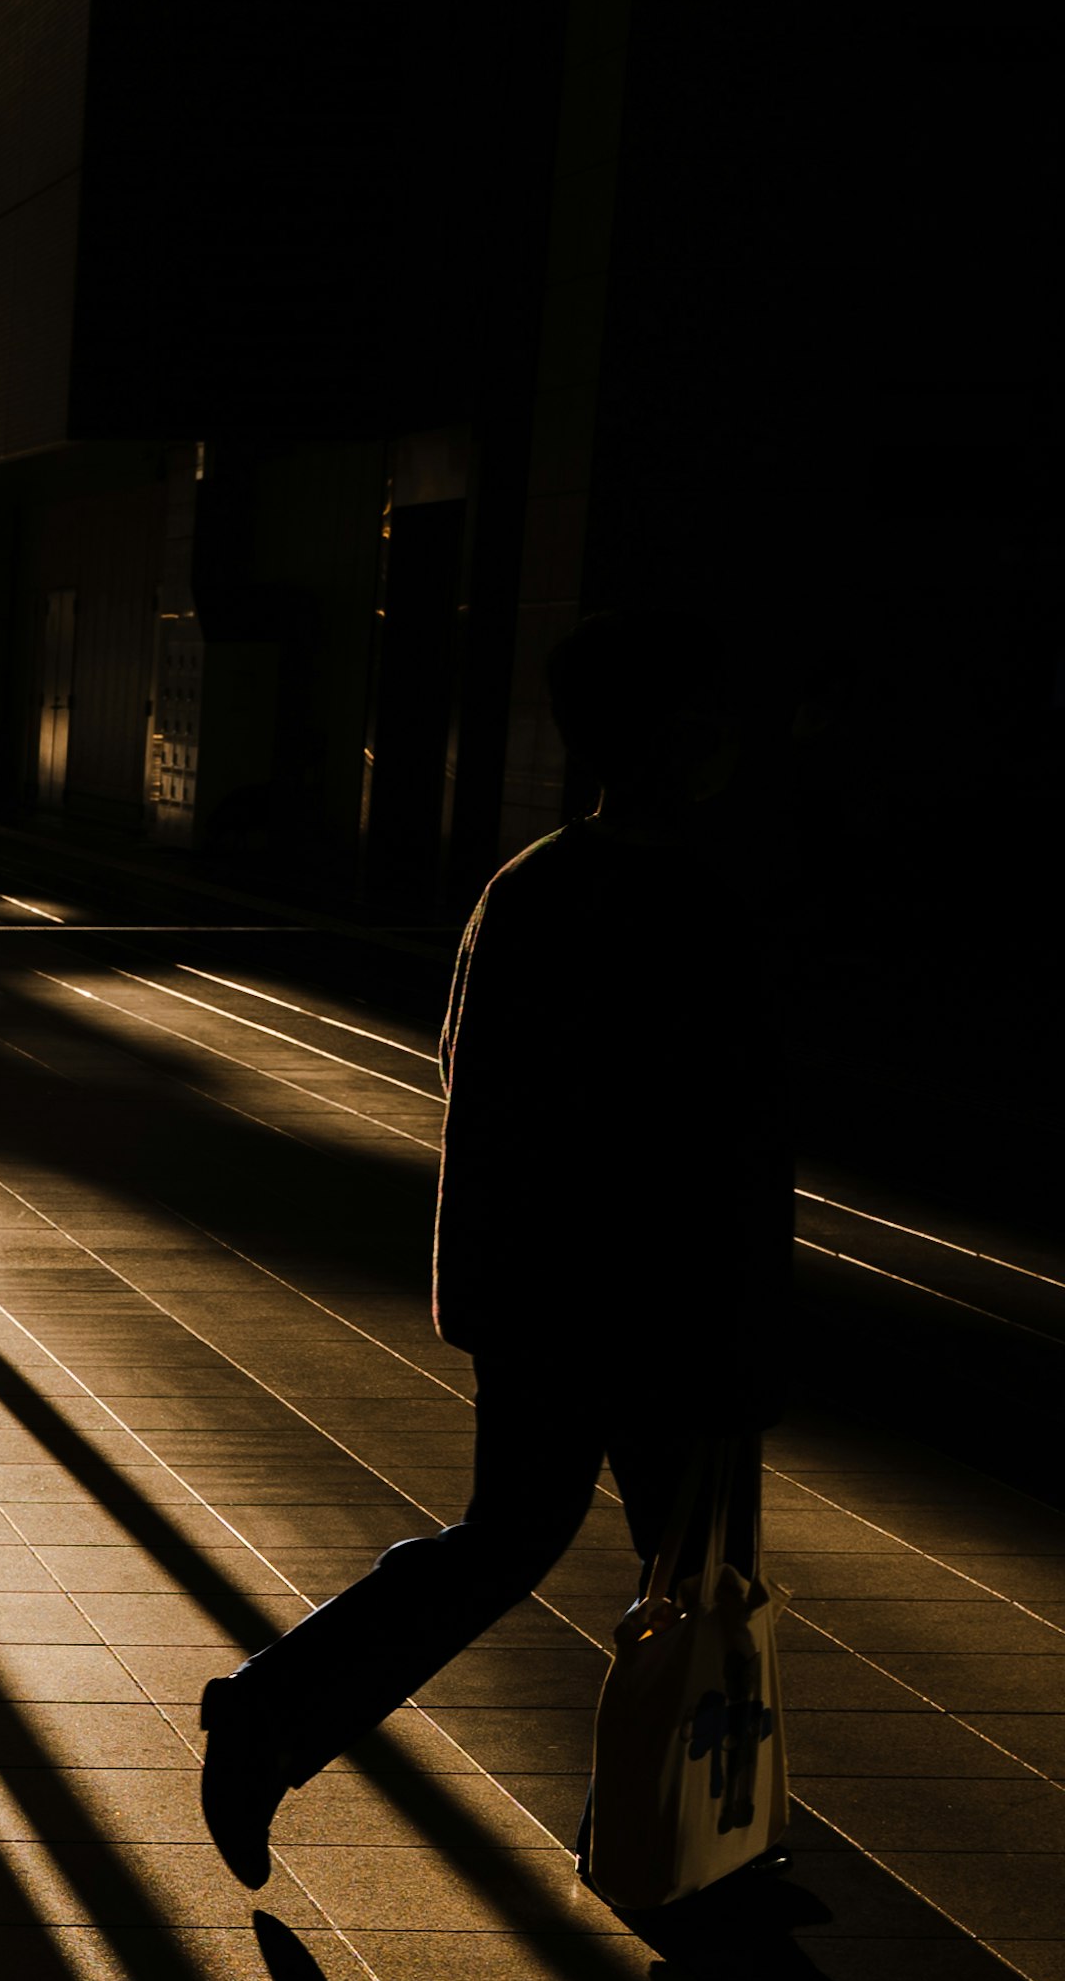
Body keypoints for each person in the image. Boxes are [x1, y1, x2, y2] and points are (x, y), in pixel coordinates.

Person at [195, 620, 792, 1887]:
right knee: (698, 1571)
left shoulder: (531, 891)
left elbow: (488, 1115)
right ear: (673, 745)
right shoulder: (701, 907)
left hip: (550, 1298)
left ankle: (278, 1714)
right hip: (664, 1303)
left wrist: (488, 1297)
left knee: (519, 1539)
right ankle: (681, 1841)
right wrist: (747, 1329)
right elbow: (734, 1144)